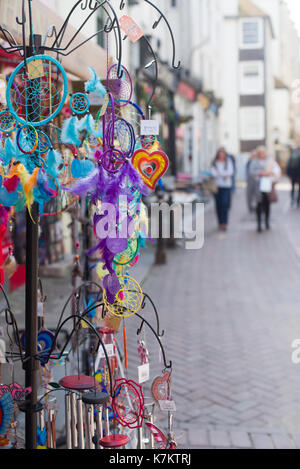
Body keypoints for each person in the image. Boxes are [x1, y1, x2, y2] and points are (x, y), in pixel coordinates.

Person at [248, 146, 281, 232]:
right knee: (259, 204)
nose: (262, 154)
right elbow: (251, 172)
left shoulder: (269, 161)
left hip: (267, 186)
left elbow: (276, 170)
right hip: (257, 186)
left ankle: (266, 221)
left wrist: (269, 173)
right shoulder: (254, 162)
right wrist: (261, 173)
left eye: (263, 153)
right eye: (260, 153)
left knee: (267, 204)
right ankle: (259, 224)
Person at [210, 148, 234, 231]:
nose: (221, 155)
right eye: (220, 153)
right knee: (218, 205)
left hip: (226, 186)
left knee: (225, 204)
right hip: (217, 186)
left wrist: (220, 174)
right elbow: (213, 173)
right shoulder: (214, 163)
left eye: (222, 153)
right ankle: (220, 222)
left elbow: (230, 172)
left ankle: (224, 222)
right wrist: (223, 174)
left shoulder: (228, 162)